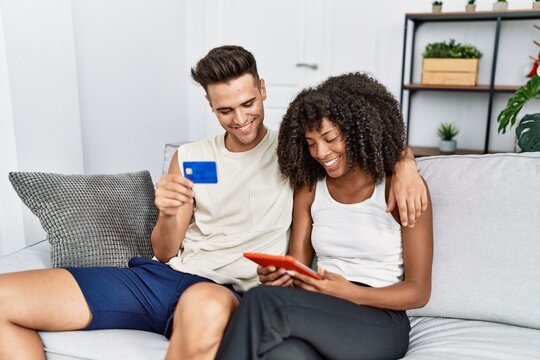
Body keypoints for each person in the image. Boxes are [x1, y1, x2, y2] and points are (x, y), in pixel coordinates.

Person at [0, 47, 427, 360]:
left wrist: (405, 160)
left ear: (262, 89)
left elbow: (359, 138)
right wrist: (168, 211)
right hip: (162, 278)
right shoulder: (191, 157)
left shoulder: (297, 152)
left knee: (206, 305)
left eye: (248, 104)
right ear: (209, 104)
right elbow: (164, 251)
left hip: (222, 292)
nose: (240, 119)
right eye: (225, 110)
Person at [216, 73, 434, 360]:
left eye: (330, 138)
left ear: (358, 131)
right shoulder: (309, 189)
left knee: (261, 301)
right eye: (310, 143)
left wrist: (350, 293)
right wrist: (279, 276)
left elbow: (418, 291)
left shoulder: (400, 188)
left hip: (380, 321)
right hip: (323, 311)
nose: (321, 153)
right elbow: (297, 265)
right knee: (286, 354)